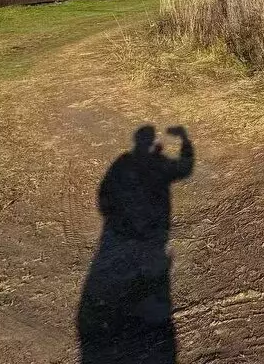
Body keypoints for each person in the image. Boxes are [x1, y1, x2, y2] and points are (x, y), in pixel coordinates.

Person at [78, 125, 194, 364]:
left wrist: (113, 215)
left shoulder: (123, 162)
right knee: (149, 280)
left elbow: (104, 195)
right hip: (152, 236)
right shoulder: (158, 164)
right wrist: (185, 140)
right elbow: (185, 168)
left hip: (126, 234)